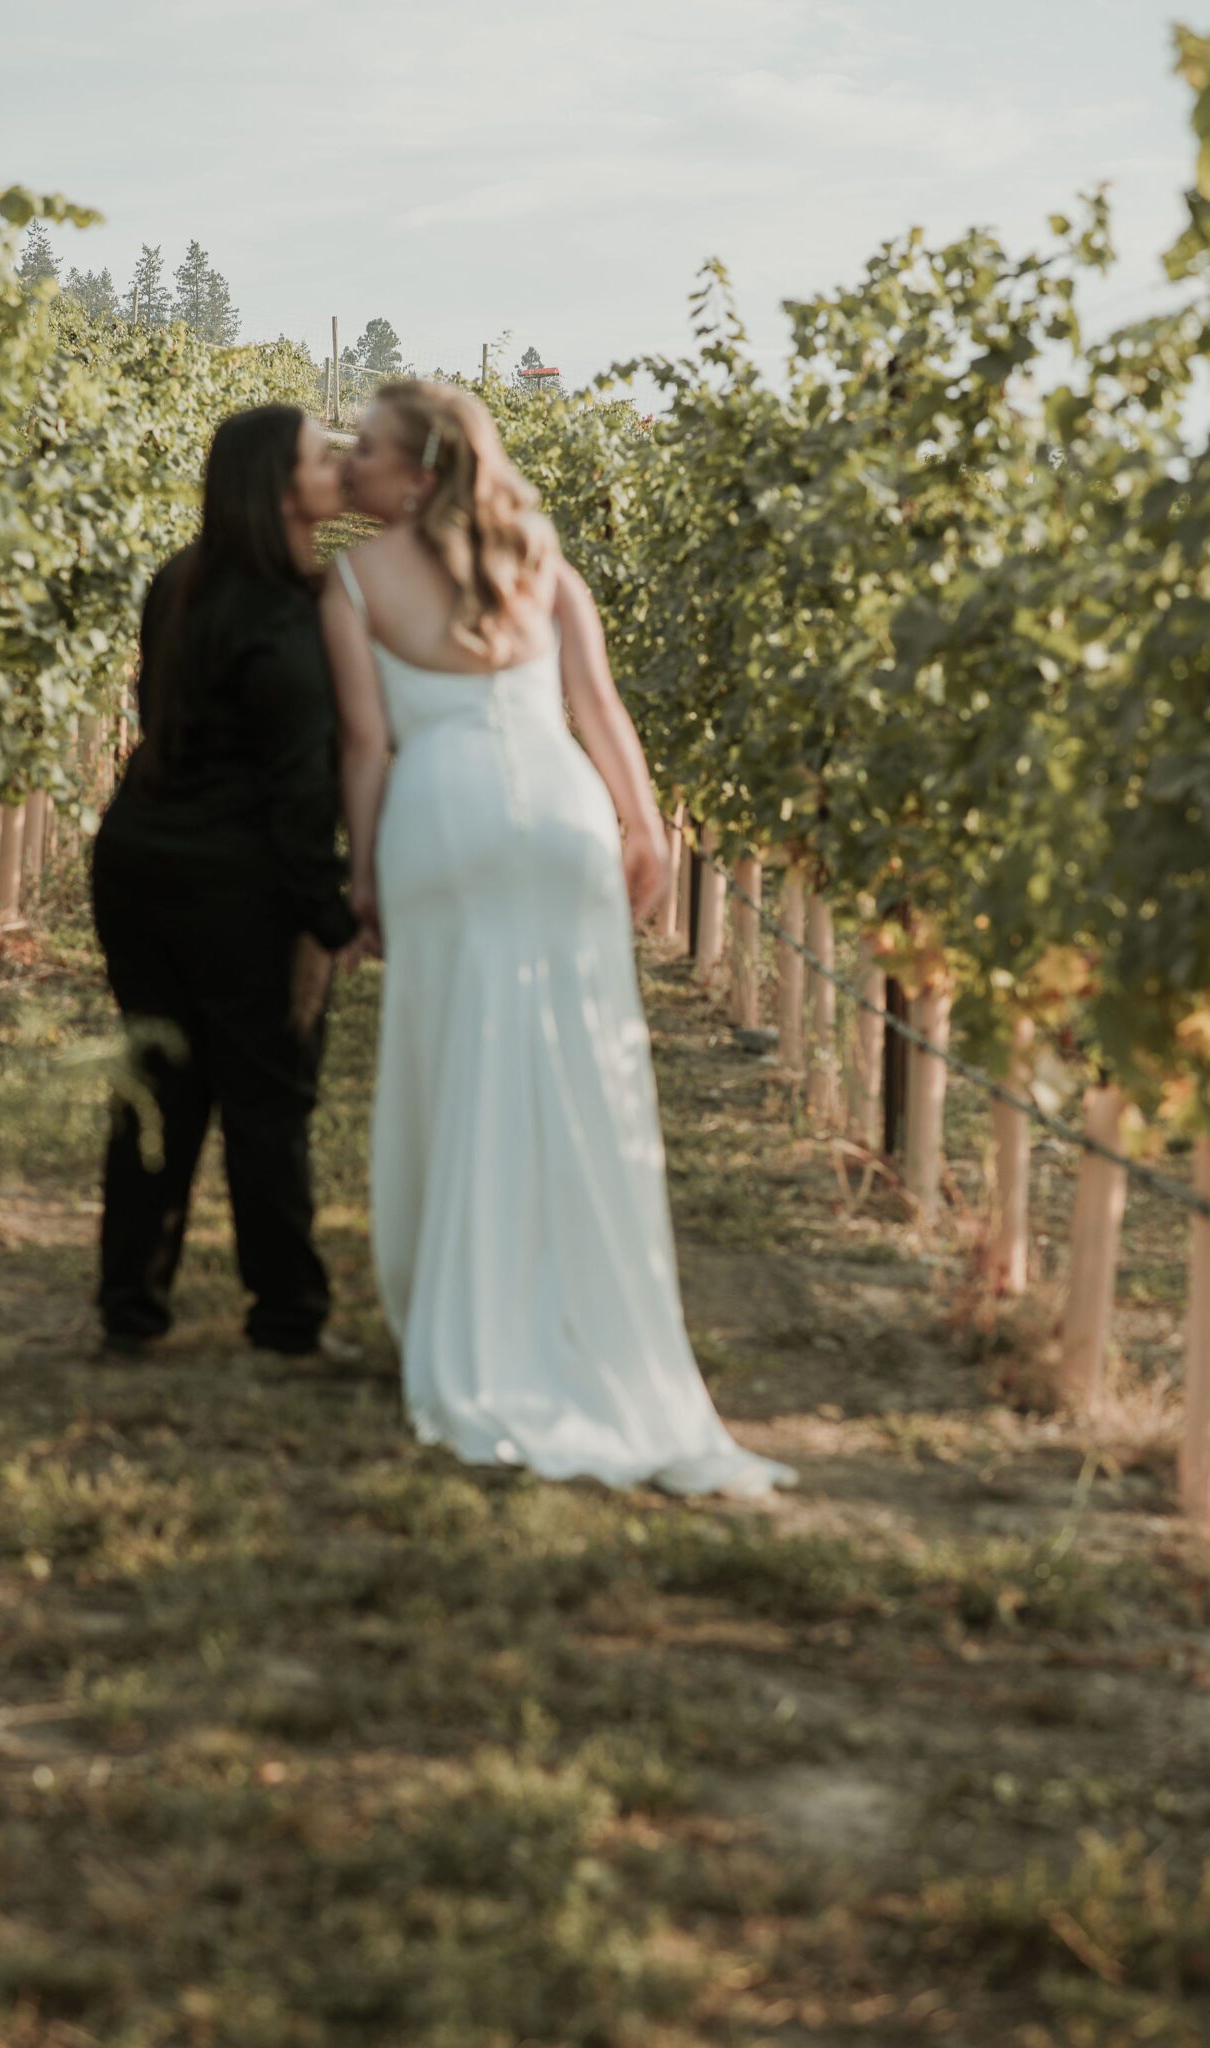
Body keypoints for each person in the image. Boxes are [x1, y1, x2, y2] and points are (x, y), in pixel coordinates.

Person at [321, 382, 796, 1498]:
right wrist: (642, 827)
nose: (352, 466)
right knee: (586, 1067)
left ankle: (473, 1311)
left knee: (457, 1051)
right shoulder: (544, 560)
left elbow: (361, 740)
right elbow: (601, 708)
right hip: (564, 813)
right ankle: (588, 1311)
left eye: (372, 452)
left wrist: (361, 870)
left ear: (422, 475)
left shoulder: (354, 576)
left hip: (445, 818)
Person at [92, 404, 359, 1361]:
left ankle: (130, 1305)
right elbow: (299, 796)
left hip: (136, 860)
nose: (337, 465)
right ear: (280, 489)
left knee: (161, 1085)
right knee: (265, 1093)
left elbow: (158, 714)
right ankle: (287, 1318)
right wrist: (333, 915)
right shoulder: (294, 617)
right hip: (238, 882)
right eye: (320, 456)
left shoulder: (179, 579)